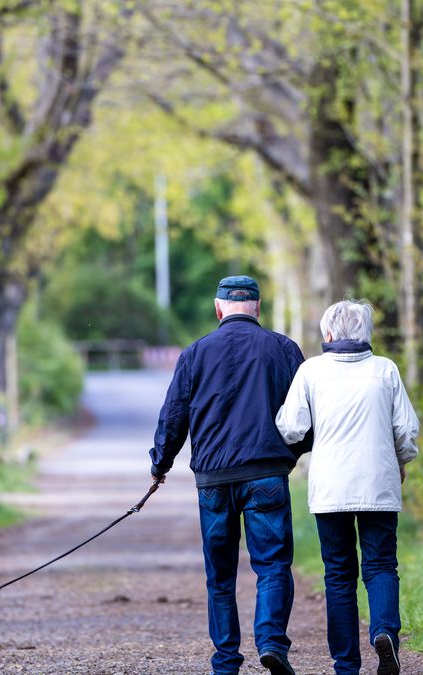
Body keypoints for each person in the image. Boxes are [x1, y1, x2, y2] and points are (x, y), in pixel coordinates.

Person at [149, 275, 311, 675]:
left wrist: (160, 464)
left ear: (218, 308)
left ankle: (225, 661)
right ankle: (272, 642)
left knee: (220, 574)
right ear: (257, 307)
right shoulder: (284, 349)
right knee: (272, 565)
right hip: (267, 474)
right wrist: (290, 455)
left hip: (213, 480)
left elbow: (174, 416)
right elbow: (307, 414)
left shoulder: (195, 353)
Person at [274, 300, 419, 675]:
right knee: (381, 565)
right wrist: (401, 461)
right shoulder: (385, 370)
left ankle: (346, 664)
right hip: (378, 483)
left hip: (331, 488)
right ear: (365, 332)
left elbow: (291, 427)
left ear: (328, 334)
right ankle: (384, 632)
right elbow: (405, 429)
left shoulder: (311, 371)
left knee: (339, 575)